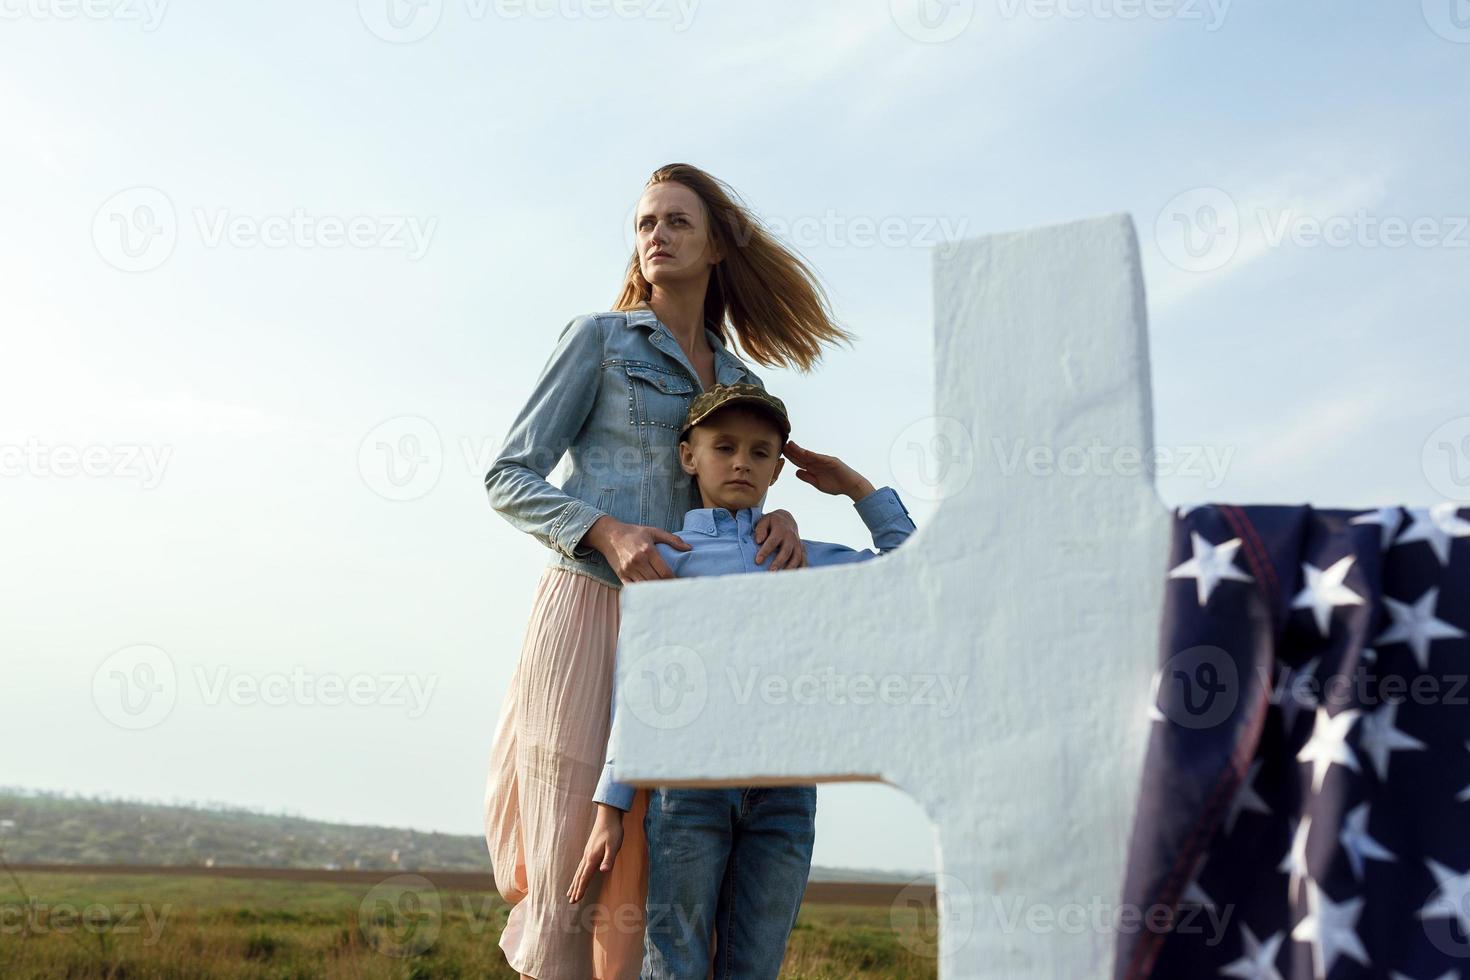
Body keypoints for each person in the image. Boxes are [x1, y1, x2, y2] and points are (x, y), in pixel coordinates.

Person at [481, 163, 856, 980]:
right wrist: (606, 531)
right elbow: (506, 476)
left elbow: (745, 489)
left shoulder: (742, 383)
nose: (657, 236)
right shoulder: (598, 340)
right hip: (589, 611)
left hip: (691, 637)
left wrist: (782, 520)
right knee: (572, 862)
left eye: (678, 222)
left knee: (653, 878)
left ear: (717, 243)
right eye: (647, 222)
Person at [565, 383, 917, 980]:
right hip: (689, 792)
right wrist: (611, 808)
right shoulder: (664, 561)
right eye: (723, 446)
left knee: (754, 968)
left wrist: (858, 488)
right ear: (688, 456)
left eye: (759, 452)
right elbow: (642, 688)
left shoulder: (800, 557)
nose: (740, 462)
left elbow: (917, 572)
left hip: (786, 793)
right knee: (674, 964)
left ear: (778, 469)